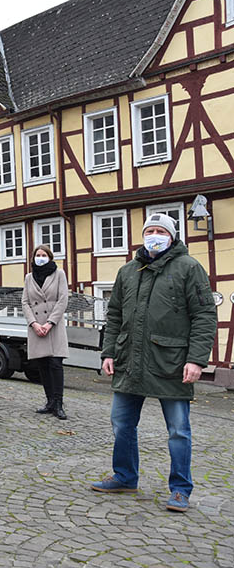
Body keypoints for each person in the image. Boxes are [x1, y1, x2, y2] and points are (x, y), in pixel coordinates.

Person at [91, 213, 217, 513]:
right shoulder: (128, 271)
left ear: (172, 236)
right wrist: (108, 353)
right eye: (150, 231)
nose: (155, 236)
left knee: (178, 430)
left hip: (172, 363)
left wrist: (197, 360)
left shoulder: (189, 268)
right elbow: (114, 315)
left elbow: (204, 316)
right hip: (129, 361)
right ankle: (124, 476)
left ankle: (180, 489)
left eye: (161, 231)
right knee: (121, 423)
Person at [22, 245, 70, 419]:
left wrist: (50, 323)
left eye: (43, 255)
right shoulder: (29, 277)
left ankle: (58, 403)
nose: (40, 257)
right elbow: (25, 302)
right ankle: (49, 401)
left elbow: (63, 299)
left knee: (56, 364)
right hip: (37, 327)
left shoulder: (59, 274)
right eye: (37, 255)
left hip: (54, 326)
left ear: (49, 257)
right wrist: (34, 323)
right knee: (42, 365)